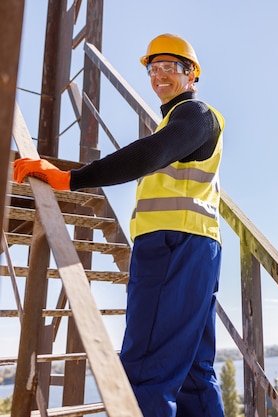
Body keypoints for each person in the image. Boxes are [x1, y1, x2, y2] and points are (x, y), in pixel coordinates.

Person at [13, 33, 226, 417]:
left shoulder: (195, 115)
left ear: (192, 75)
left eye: (170, 68)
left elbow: (148, 154)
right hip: (196, 249)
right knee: (195, 371)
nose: (160, 76)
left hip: (172, 247)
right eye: (154, 68)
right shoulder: (179, 123)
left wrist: (70, 178)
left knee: (147, 368)